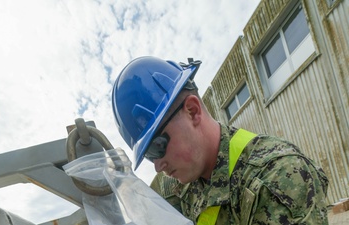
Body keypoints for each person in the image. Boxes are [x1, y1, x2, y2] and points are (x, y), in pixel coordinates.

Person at [111, 56, 329, 224]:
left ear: (193, 111)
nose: (158, 166)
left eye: (158, 147)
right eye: (148, 157)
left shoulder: (278, 178)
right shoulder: (182, 184)